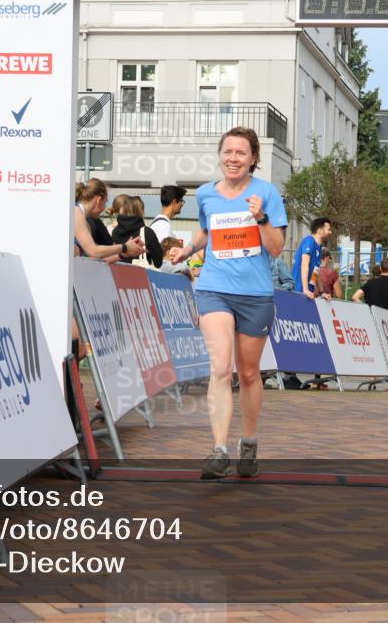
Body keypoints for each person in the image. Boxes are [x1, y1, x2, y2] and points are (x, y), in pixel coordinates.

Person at [171, 127, 287, 480]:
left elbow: (277, 247)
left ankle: (248, 442)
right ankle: (219, 448)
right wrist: (187, 250)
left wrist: (261, 218)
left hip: (255, 294)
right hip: (214, 288)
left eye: (241, 152)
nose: (233, 158)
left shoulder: (266, 193)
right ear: (220, 155)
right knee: (221, 367)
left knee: (249, 373)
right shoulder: (206, 193)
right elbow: (208, 231)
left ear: (253, 158)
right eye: (228, 152)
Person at [74, 179, 144, 261]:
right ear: (98, 200)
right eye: (105, 203)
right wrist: (124, 247)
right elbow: (93, 251)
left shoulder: (80, 215)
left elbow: (95, 258)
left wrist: (122, 254)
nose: (105, 208)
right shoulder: (77, 213)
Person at [112, 196, 163, 268]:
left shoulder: (115, 232)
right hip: (140, 276)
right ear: (141, 211)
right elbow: (158, 262)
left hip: (117, 275)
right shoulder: (147, 232)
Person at [292, 217, 332, 299]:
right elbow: (304, 265)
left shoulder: (319, 247)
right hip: (298, 291)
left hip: (308, 293)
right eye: (328, 229)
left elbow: (315, 271)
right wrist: (305, 289)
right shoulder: (309, 241)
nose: (330, 232)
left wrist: (322, 292)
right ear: (320, 230)